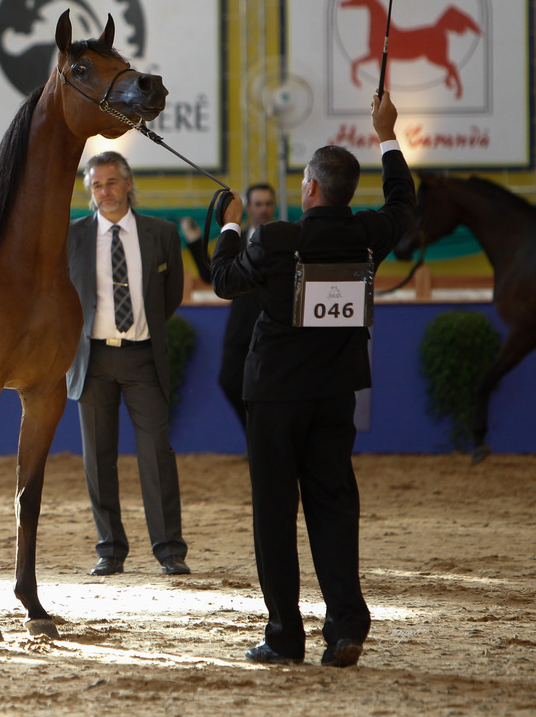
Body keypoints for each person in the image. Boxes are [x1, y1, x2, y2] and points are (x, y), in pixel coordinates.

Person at [209, 91, 415, 667]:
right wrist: (388, 134)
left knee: (274, 511)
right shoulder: (367, 234)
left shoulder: (274, 240)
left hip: (275, 398)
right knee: (333, 504)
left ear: (311, 190)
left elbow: (223, 281)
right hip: (335, 395)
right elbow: (404, 202)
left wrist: (227, 227)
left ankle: (284, 635)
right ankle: (346, 626)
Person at [66, 150, 190, 577]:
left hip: (143, 358)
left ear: (128, 183)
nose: (106, 192)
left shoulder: (162, 233)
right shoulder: (73, 237)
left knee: (157, 452)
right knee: (97, 458)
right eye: (97, 185)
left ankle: (169, 550)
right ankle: (110, 550)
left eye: (112, 182)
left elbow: (170, 294)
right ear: (90, 191)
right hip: (92, 358)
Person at [181, 184, 277, 431]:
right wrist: (193, 240)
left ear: (274, 206)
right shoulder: (236, 239)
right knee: (229, 380)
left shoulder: (283, 239)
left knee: (272, 387)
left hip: (274, 325)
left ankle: (269, 439)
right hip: (241, 325)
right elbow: (214, 275)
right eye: (258, 204)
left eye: (267, 204)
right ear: (247, 208)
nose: (263, 209)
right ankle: (255, 434)